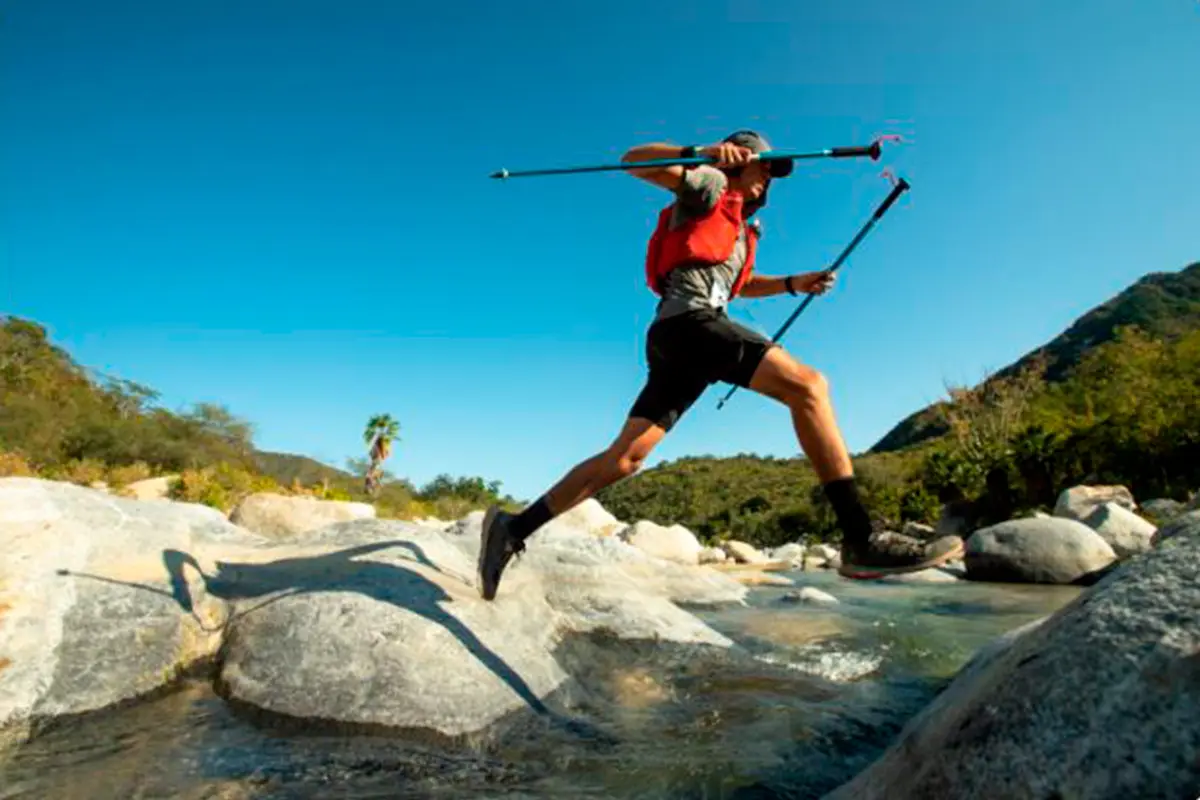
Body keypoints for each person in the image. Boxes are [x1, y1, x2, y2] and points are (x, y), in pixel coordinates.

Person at [477, 130, 964, 601]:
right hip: (690, 324)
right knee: (809, 387)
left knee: (626, 459)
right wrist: (702, 153)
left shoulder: (740, 232)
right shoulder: (709, 184)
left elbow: (742, 284)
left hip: (680, 339)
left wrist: (796, 282)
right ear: (739, 158)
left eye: (774, 174)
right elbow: (633, 159)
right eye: (764, 167)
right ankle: (860, 537)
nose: (768, 179)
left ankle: (512, 528)